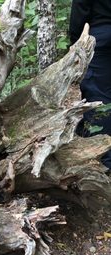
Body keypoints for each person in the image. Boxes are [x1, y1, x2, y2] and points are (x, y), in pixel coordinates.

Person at [69, 0, 111, 171]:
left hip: (100, 36)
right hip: (101, 36)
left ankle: (103, 159)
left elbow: (81, 6)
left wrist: (76, 40)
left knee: (98, 97)